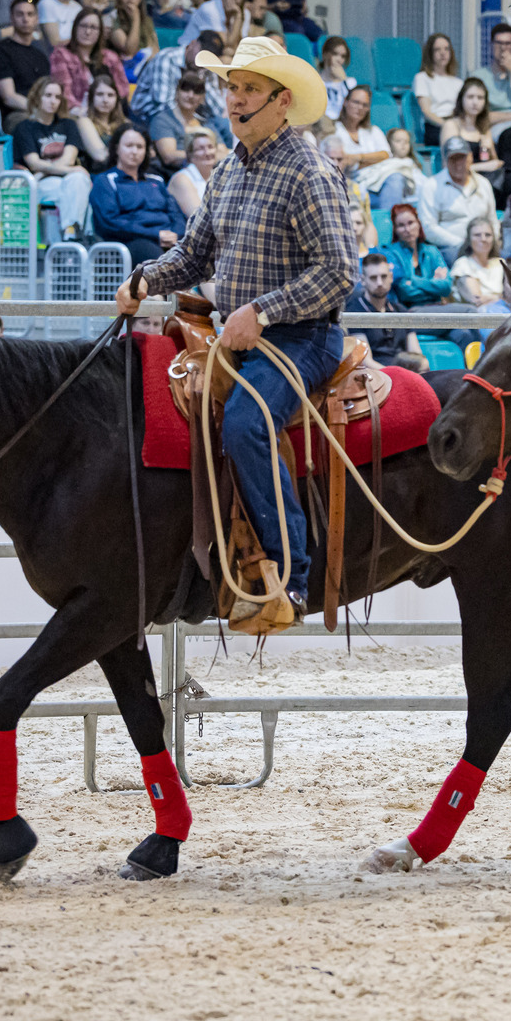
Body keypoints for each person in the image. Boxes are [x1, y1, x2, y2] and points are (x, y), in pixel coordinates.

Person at [117, 36, 357, 620]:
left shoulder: (310, 172)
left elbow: (338, 272)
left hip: (302, 338)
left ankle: (289, 574)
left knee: (248, 422)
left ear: (282, 101)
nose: (235, 99)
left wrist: (263, 311)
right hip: (241, 334)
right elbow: (194, 254)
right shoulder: (226, 171)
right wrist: (146, 277)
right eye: (231, 87)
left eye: (250, 88)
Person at [90, 126, 187, 265]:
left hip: (168, 238)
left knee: (201, 254)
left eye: (140, 147)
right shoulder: (105, 181)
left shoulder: (156, 181)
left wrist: (175, 234)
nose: (134, 151)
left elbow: (176, 214)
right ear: (117, 149)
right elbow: (110, 221)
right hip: (131, 241)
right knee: (154, 256)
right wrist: (155, 234)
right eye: (129, 146)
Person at [10, 77, 92, 239]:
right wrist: (66, 170)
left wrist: (44, 171)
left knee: (77, 181)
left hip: (56, 178)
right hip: (42, 183)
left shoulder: (68, 125)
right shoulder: (24, 128)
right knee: (75, 185)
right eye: (48, 95)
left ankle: (69, 233)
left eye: (57, 97)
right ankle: (77, 235)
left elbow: (69, 159)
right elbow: (33, 163)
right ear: (37, 97)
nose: (53, 101)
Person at [132, 30, 228, 136]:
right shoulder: (167, 58)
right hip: (149, 113)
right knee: (181, 131)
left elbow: (217, 107)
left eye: (208, 58)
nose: (203, 61)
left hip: (190, 114)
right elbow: (163, 102)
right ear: (192, 43)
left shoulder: (207, 66)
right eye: (201, 54)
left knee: (223, 125)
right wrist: (191, 125)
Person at [416, 136, 498, 256]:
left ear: (470, 157)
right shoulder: (431, 186)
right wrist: (463, 244)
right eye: (453, 159)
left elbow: (492, 219)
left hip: (485, 243)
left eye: (462, 158)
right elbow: (428, 227)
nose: (458, 164)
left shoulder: (483, 183)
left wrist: (492, 241)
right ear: (445, 161)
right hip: (451, 247)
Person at [331, 86, 410, 209]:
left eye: (365, 105)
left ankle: (389, 218)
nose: (360, 108)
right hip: (348, 186)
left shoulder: (373, 131)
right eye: (356, 102)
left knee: (395, 178)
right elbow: (341, 163)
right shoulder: (334, 131)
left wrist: (358, 158)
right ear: (346, 102)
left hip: (376, 185)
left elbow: (386, 155)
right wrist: (373, 159)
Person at [346, 253, 427, 373]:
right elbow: (366, 362)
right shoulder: (355, 313)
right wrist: (398, 376)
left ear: (391, 277)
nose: (379, 283)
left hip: (405, 375)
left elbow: (416, 353)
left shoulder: (401, 311)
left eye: (383, 276)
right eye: (373, 278)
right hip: (376, 377)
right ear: (363, 280)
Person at [0, 0, 50, 131]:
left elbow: (48, 91)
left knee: (70, 123)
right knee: (32, 126)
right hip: (16, 114)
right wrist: (40, 111)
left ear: (36, 19)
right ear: (11, 18)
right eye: (20, 14)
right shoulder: (0, 50)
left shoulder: (41, 55)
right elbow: (8, 97)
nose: (25, 19)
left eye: (30, 14)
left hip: (42, 112)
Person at [440, 78, 510, 198]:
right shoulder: (451, 125)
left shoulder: (483, 127)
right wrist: (483, 167)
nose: (475, 102)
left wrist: (489, 149)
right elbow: (448, 167)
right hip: (460, 180)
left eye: (480, 98)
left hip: (485, 180)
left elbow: (494, 163)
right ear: (461, 99)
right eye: (470, 97)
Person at [150, 71, 227, 172]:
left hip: (207, 174)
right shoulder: (163, 120)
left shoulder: (205, 122)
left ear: (203, 97)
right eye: (185, 89)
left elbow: (224, 153)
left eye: (197, 91)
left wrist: (198, 156)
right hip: (176, 174)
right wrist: (205, 156)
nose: (191, 95)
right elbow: (169, 156)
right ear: (177, 92)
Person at [50, 8, 128, 107]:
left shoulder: (111, 57)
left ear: (100, 32)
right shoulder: (61, 55)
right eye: (83, 26)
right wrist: (84, 112)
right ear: (75, 28)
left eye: (93, 27)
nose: (87, 32)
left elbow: (123, 90)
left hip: (109, 111)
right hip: (77, 112)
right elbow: (65, 95)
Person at [180, 0, 272, 48]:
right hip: (187, 52)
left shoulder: (245, 13)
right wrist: (238, 17)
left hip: (211, 54)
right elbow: (225, 44)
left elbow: (239, 44)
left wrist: (238, 16)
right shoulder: (209, 9)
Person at [451, 217, 511, 315]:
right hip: (476, 315)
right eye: (477, 235)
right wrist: (499, 297)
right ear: (469, 239)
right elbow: (476, 300)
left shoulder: (500, 263)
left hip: (504, 311)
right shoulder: (463, 264)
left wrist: (493, 298)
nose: (483, 239)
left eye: (488, 235)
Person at [413, 34, 463, 146]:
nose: (443, 53)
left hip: (456, 123)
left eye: (446, 49)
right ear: (430, 53)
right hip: (435, 125)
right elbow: (426, 111)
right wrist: (447, 125)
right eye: (437, 49)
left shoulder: (458, 82)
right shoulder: (422, 78)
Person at [73, 73, 129, 172]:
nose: (105, 100)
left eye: (110, 95)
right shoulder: (84, 121)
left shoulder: (125, 123)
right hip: (99, 174)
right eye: (100, 94)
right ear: (91, 98)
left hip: (126, 171)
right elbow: (100, 156)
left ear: (117, 99)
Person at [475, 21, 511, 123]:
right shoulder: (479, 76)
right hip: (495, 125)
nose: (503, 48)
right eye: (499, 43)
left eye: (507, 43)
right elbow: (479, 116)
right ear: (491, 45)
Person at [106, 0, 156, 83]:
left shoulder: (147, 20)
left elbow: (155, 49)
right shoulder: (111, 18)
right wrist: (136, 19)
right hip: (120, 73)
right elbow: (130, 50)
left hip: (145, 70)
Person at [169, 131, 218, 219]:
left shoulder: (220, 176)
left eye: (210, 147)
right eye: (200, 149)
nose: (207, 153)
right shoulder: (181, 179)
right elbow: (199, 218)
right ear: (189, 155)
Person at [319, 37, 356, 122]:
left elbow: (354, 108)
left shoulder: (350, 82)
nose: (339, 60)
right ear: (325, 54)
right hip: (321, 124)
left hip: (343, 123)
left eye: (343, 56)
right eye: (335, 54)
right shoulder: (315, 82)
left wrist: (344, 80)